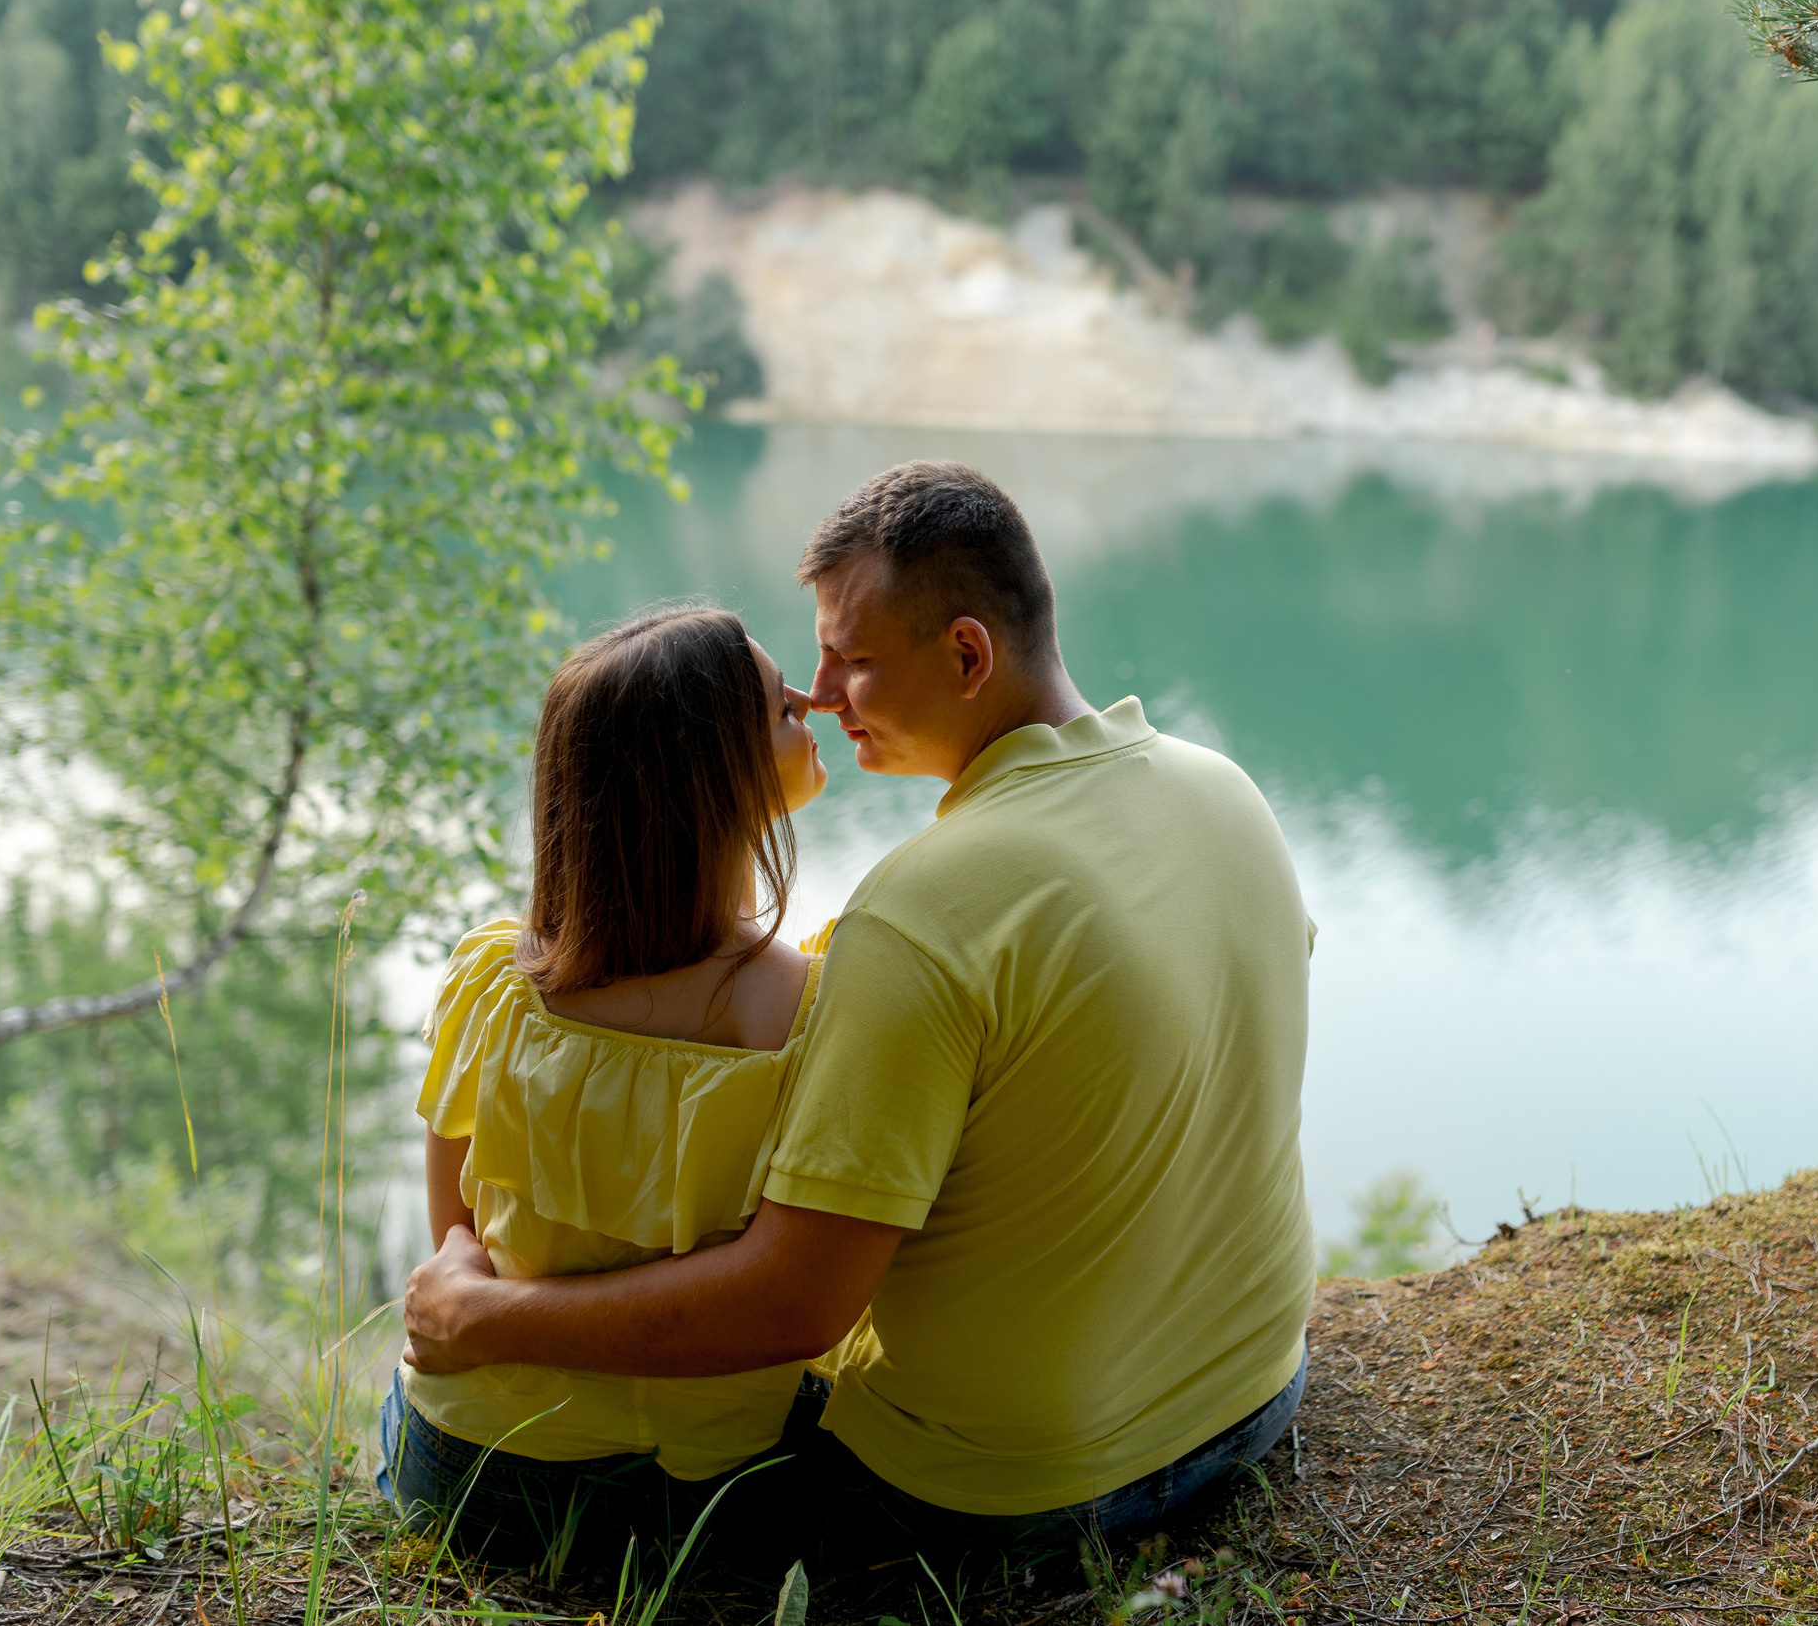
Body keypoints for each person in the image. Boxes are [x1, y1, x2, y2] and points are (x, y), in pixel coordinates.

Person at [404, 461, 1316, 1558]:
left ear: (968, 654)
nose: (825, 695)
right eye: (814, 664)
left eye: (855, 662)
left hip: (1026, 1483)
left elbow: (794, 1304)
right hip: (1256, 1390)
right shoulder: (1222, 786)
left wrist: (484, 1313)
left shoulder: (921, 911)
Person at [377, 605, 846, 1578]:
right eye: (779, 703)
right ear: (713, 779)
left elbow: (454, 1226)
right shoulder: (803, 1008)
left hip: (472, 1464)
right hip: (704, 1489)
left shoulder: (492, 981)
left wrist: (473, 1279)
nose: (814, 699)